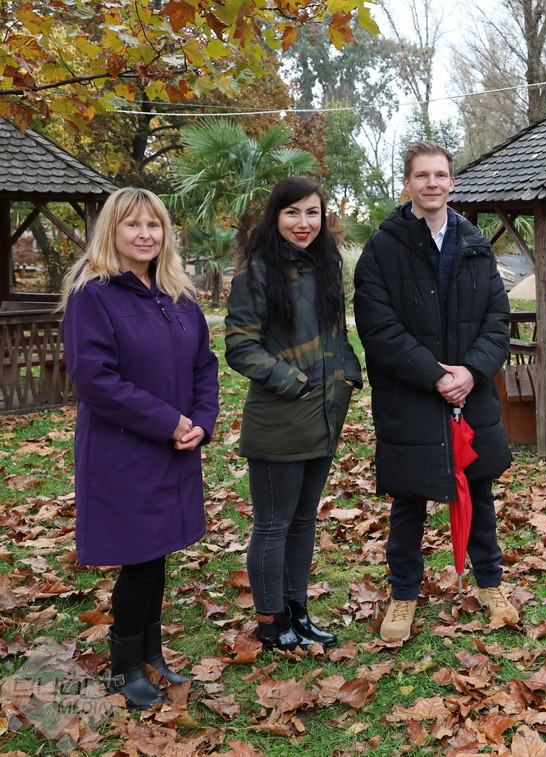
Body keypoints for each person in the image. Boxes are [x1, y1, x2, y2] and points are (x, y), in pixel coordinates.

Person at [353, 140, 517, 644]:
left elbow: (497, 319)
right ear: (407, 184)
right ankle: (404, 593)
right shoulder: (383, 249)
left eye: (440, 175)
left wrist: (471, 371)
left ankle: (490, 584)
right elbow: (378, 327)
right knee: (409, 499)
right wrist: (435, 376)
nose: (432, 184)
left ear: (452, 182)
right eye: (421, 176)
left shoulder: (475, 245)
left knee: (479, 491)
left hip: (471, 394)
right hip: (411, 395)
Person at [61, 187, 219, 709]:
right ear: (112, 230)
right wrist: (167, 422)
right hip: (124, 450)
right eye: (133, 224)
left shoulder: (177, 295)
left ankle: (151, 654)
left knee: (159, 553)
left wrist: (201, 422)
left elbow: (204, 366)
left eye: (154, 225)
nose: (145, 234)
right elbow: (95, 379)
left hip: (176, 447)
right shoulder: (93, 294)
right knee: (140, 559)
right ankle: (124, 667)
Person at [225, 177, 362, 651]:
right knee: (273, 524)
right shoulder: (257, 273)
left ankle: (298, 612)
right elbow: (240, 347)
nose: (303, 223)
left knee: (304, 520)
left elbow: (336, 335)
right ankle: (271, 621)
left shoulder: (325, 268)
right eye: (292, 213)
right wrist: (294, 383)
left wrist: (347, 375)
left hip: (325, 413)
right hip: (280, 415)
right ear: (276, 216)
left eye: (312, 213)